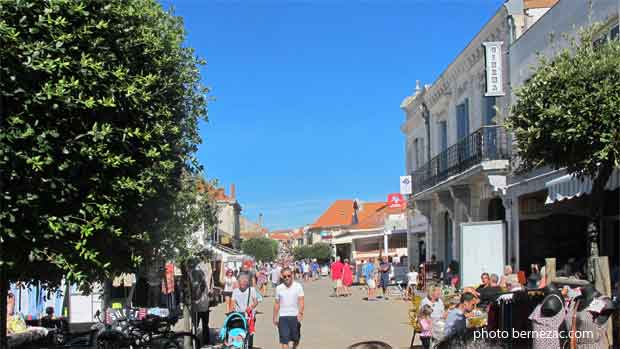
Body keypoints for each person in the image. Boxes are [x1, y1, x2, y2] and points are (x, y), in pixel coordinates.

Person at [273, 267, 304, 349]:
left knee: (296, 339)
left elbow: (301, 301)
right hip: (283, 317)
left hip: (295, 316)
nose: (287, 278)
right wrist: (275, 316)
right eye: (284, 276)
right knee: (284, 340)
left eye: (288, 276)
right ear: (282, 277)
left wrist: (300, 313)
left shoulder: (298, 286)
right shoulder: (278, 288)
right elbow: (277, 303)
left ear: (292, 275)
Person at [233, 273, 259, 348]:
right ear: (239, 282)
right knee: (239, 333)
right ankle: (239, 346)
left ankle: (249, 346)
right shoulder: (235, 291)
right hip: (239, 315)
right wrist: (233, 311)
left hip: (250, 316)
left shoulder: (252, 290)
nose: (243, 283)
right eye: (241, 282)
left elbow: (256, 301)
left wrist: (250, 307)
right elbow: (233, 302)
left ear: (247, 282)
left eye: (245, 282)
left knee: (250, 334)